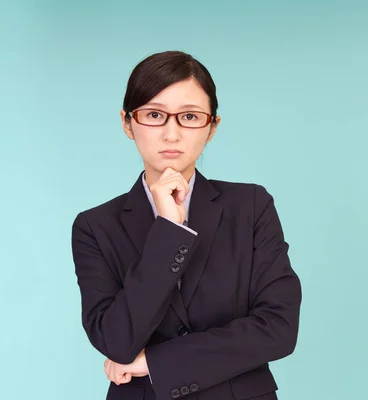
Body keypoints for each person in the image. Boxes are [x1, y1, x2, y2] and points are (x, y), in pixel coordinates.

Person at [71, 50, 302, 400]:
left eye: (190, 116)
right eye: (154, 115)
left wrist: (156, 362)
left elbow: (278, 328)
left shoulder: (251, 206)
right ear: (127, 123)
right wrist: (169, 232)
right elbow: (116, 340)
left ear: (212, 127)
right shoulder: (95, 226)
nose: (171, 134)